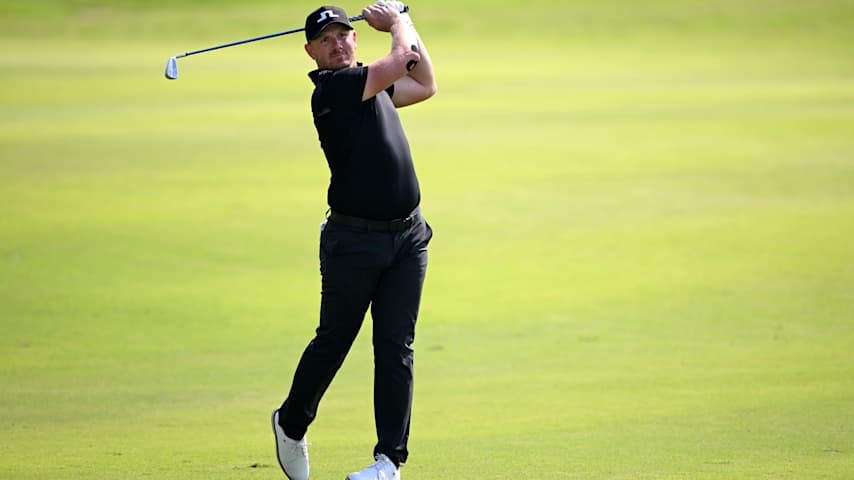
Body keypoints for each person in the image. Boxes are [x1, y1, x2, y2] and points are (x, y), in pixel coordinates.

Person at [271, 2, 436, 479]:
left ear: (355, 38)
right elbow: (402, 60)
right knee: (335, 342)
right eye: (326, 40)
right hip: (354, 241)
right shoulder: (336, 88)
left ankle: (389, 463)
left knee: (396, 347)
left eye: (344, 34)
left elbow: (424, 83)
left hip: (408, 237)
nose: (338, 43)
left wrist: (405, 20)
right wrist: (399, 21)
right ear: (311, 52)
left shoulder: (372, 83)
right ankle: (292, 421)